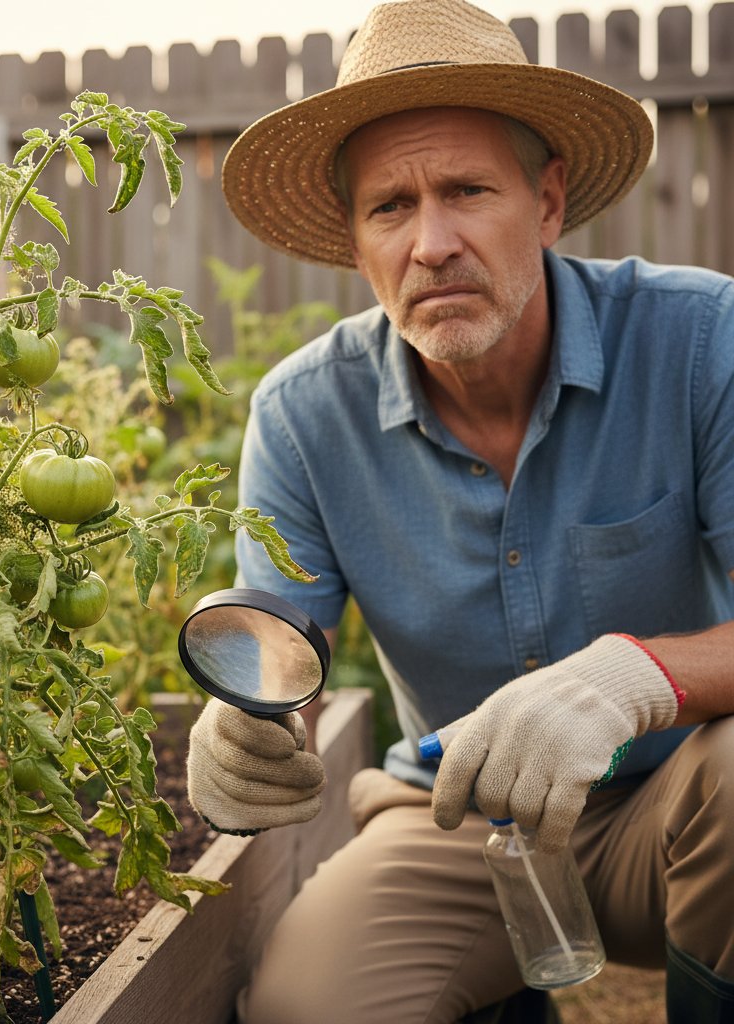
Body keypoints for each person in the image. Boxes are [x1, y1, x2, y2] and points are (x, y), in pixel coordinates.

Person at [183, 1, 734, 1022]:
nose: (431, 242)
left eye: (468, 190)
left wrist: (636, 679)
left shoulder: (701, 339)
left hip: (678, 805)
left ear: (548, 201)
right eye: (390, 206)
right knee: (310, 1007)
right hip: (455, 823)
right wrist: (251, 725)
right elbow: (279, 648)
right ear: (356, 246)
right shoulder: (304, 416)